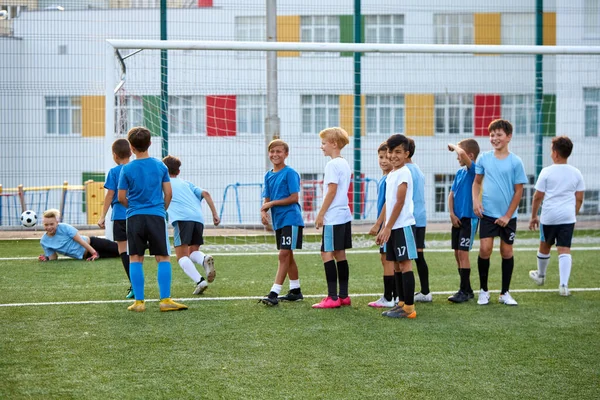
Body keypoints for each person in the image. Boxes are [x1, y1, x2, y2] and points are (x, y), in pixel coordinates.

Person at [117, 126, 187, 313]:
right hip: (156, 216)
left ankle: (139, 302)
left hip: (134, 218)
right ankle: (165, 300)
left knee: (135, 258)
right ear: (150, 143)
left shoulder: (127, 169)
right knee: (162, 257)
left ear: (131, 147)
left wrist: (133, 208)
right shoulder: (160, 166)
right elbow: (168, 193)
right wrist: (159, 210)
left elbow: (121, 197)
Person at [472, 119, 528, 306]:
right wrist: (476, 201)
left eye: (499, 135)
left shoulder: (516, 162)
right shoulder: (484, 158)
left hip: (508, 217)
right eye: (492, 135)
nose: (494, 138)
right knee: (485, 249)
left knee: (506, 251)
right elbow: (477, 182)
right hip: (488, 214)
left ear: (509, 137)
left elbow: (519, 190)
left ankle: (505, 293)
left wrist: (507, 215)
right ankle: (484, 291)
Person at [528, 136, 585, 296]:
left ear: (556, 154)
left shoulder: (546, 171)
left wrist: (533, 216)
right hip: (567, 217)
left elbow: (537, 196)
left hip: (549, 216)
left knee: (544, 246)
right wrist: (572, 214)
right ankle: (563, 286)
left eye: (551, 150)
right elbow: (579, 198)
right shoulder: (576, 173)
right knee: (564, 249)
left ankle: (541, 276)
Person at [163, 155, 220, 296]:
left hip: (182, 220)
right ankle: (204, 258)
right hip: (198, 219)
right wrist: (215, 214)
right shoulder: (187, 183)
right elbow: (205, 193)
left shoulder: (164, 183)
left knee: (181, 256)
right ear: (179, 171)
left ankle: (200, 281)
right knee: (192, 251)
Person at [376, 134, 418, 319]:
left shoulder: (404, 172)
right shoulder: (392, 174)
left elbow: (400, 203)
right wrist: (384, 227)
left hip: (403, 226)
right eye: (391, 152)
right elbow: (389, 202)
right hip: (393, 227)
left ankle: (409, 307)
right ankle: (401, 303)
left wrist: (387, 227)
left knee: (405, 264)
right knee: (397, 266)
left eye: (398, 152)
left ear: (406, 154)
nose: (393, 156)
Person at [259, 139, 305, 306]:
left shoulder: (290, 173)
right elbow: (267, 198)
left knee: (283, 254)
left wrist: (271, 204)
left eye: (279, 151)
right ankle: (295, 290)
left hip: (291, 219)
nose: (275, 154)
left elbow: (294, 197)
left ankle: (274, 292)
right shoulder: (268, 175)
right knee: (288, 254)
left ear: (286, 154)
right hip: (279, 221)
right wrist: (263, 211)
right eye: (272, 151)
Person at [312, 127, 352, 309]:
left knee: (326, 253)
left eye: (323, 143)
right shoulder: (344, 163)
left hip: (334, 217)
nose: (322, 147)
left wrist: (321, 214)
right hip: (344, 215)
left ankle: (332, 297)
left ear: (333, 144)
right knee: (340, 254)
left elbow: (332, 190)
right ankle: (343, 296)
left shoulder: (332, 164)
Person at [98, 138, 134, 299]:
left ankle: (134, 285)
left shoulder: (114, 172)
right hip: (137, 215)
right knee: (136, 249)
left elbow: (110, 194)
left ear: (114, 155)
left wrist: (102, 216)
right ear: (131, 152)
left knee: (124, 250)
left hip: (120, 215)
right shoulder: (136, 168)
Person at [447, 139, 480, 303]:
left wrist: (453, 146)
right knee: (457, 253)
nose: (457, 157)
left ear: (470, 155)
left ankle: (463, 291)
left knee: (463, 253)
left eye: (459, 154)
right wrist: (452, 214)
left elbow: (460, 153)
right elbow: (451, 194)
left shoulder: (474, 170)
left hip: (469, 219)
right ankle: (467, 289)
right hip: (457, 219)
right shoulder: (459, 173)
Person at [368, 141, 396, 308]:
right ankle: (393, 295)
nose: (384, 160)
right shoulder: (384, 178)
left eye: (387, 157)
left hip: (387, 226)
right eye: (381, 157)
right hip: (386, 225)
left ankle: (389, 296)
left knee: (387, 260)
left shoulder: (391, 178)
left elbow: (389, 202)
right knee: (386, 258)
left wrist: (379, 224)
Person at [405, 138, 431, 302]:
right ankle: (425, 292)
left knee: (404, 258)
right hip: (420, 217)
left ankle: (401, 294)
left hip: (411, 219)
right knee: (418, 256)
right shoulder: (418, 169)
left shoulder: (405, 171)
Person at [39, 209, 119, 262]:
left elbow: (80, 241)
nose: (49, 227)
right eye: (46, 225)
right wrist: (46, 258)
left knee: (120, 250)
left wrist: (94, 253)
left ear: (57, 222)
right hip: (87, 256)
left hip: (93, 244)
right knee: (116, 255)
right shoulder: (44, 241)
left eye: (51, 224)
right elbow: (54, 258)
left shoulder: (64, 227)